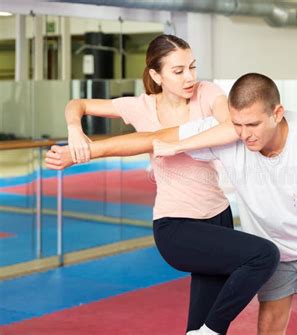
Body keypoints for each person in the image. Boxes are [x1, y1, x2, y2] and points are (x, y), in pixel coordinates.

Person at [47, 72, 297, 334]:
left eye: (252, 124)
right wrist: (84, 153)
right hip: (274, 246)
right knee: (268, 329)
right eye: (237, 124)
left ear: (277, 113)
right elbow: (150, 139)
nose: (244, 133)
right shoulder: (226, 134)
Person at [49, 36, 279, 335]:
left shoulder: (207, 93)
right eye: (179, 70)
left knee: (199, 325)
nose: (190, 77)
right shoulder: (139, 107)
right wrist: (75, 132)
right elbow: (76, 104)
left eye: (193, 67)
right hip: (176, 224)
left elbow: (231, 127)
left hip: (218, 217)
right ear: (156, 75)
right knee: (263, 256)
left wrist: (177, 145)